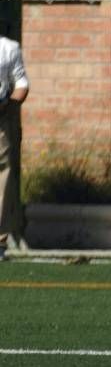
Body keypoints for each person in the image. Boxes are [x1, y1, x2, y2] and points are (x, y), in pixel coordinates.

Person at [0, 33, 29, 261]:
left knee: (3, 179)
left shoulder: (9, 48)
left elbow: (21, 84)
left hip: (1, 118)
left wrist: (9, 104)